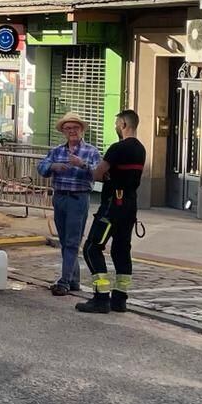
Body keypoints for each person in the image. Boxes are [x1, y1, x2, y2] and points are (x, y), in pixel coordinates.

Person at [76, 109, 146, 314]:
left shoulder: (117, 148)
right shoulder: (141, 149)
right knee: (121, 251)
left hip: (113, 204)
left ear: (124, 124)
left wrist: (87, 167)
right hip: (130, 205)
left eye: (117, 123)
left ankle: (101, 297)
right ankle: (120, 299)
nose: (115, 127)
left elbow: (97, 174)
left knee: (92, 247)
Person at [37, 113, 101, 297]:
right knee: (65, 240)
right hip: (60, 197)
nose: (72, 131)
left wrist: (82, 165)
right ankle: (74, 280)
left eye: (75, 128)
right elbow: (41, 168)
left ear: (81, 130)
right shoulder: (57, 151)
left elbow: (99, 174)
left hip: (78, 198)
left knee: (72, 241)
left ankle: (64, 281)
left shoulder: (91, 151)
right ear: (63, 131)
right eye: (68, 128)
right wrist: (52, 167)